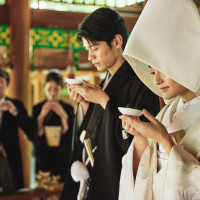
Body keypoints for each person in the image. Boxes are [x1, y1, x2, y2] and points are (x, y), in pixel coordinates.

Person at [61, 7, 159, 200]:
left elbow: (135, 141)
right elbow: (93, 132)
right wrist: (86, 105)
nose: (90, 57)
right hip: (90, 176)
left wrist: (104, 101)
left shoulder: (141, 81)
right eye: (88, 49)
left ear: (117, 41)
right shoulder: (106, 79)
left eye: (95, 48)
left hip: (113, 184)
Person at [118, 0, 200, 199]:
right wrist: (140, 137)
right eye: (152, 71)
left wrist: (164, 140)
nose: (156, 80)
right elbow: (145, 173)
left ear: (185, 61)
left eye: (162, 70)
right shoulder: (165, 113)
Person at [32, 69, 74, 181]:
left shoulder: (68, 109)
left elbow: (72, 135)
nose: (52, 93)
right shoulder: (37, 108)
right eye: (49, 89)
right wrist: (41, 116)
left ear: (61, 88)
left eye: (56, 89)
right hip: (43, 157)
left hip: (62, 157)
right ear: (44, 87)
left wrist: (64, 117)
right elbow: (33, 135)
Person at [0, 68, 36, 190]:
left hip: (9, 157)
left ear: (6, 85)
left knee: (12, 192)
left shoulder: (16, 105)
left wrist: (14, 112)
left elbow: (30, 128)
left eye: (2, 82)